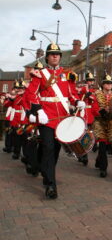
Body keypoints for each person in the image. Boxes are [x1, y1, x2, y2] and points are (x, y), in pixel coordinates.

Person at [24, 43, 85, 199]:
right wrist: (38, 110)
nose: (55, 56)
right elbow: (31, 95)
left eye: (57, 54)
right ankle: (51, 185)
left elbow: (71, 94)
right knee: (49, 148)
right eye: (52, 54)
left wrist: (78, 101)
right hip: (47, 118)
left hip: (62, 118)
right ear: (47, 57)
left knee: (55, 150)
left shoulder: (67, 74)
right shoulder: (40, 74)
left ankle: (46, 173)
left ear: (60, 57)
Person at [93, 73, 112, 177]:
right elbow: (94, 109)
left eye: (110, 83)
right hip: (100, 122)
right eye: (106, 83)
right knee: (103, 144)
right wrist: (103, 111)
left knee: (108, 143)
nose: (109, 85)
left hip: (111, 122)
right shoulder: (97, 94)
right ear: (103, 84)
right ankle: (103, 168)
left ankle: (98, 161)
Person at [77, 71, 97, 166]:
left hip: (91, 115)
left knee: (90, 134)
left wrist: (91, 95)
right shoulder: (83, 89)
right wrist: (84, 93)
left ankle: (88, 149)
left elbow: (96, 99)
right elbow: (78, 97)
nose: (91, 82)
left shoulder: (95, 91)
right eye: (89, 81)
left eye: (92, 81)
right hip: (84, 113)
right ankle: (82, 154)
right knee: (82, 135)